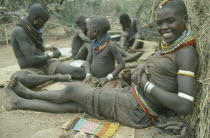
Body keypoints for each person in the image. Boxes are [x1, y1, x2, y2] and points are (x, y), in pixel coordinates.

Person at [5, 0, 198, 131]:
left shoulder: (186, 53)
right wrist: (141, 68)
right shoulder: (172, 46)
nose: (164, 27)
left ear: (185, 20)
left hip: (139, 109)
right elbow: (159, 66)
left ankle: (29, 94)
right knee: (78, 104)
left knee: (74, 90)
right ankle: (19, 102)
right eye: (160, 23)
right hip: (133, 96)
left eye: (170, 21)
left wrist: (147, 84)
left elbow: (185, 105)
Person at [10, 3, 85, 88]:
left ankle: (46, 78)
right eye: (43, 22)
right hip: (31, 70)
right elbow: (32, 60)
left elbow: (34, 48)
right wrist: (52, 54)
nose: (43, 25)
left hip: (46, 64)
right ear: (35, 19)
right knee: (18, 78)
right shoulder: (19, 32)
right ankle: (54, 77)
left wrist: (48, 47)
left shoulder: (32, 28)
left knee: (80, 72)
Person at [83, 16, 125, 87]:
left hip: (108, 80)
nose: (87, 32)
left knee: (107, 93)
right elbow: (88, 61)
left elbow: (121, 64)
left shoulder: (110, 45)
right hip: (94, 78)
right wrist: (88, 75)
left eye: (88, 30)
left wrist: (108, 77)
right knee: (86, 90)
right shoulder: (93, 45)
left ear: (95, 31)